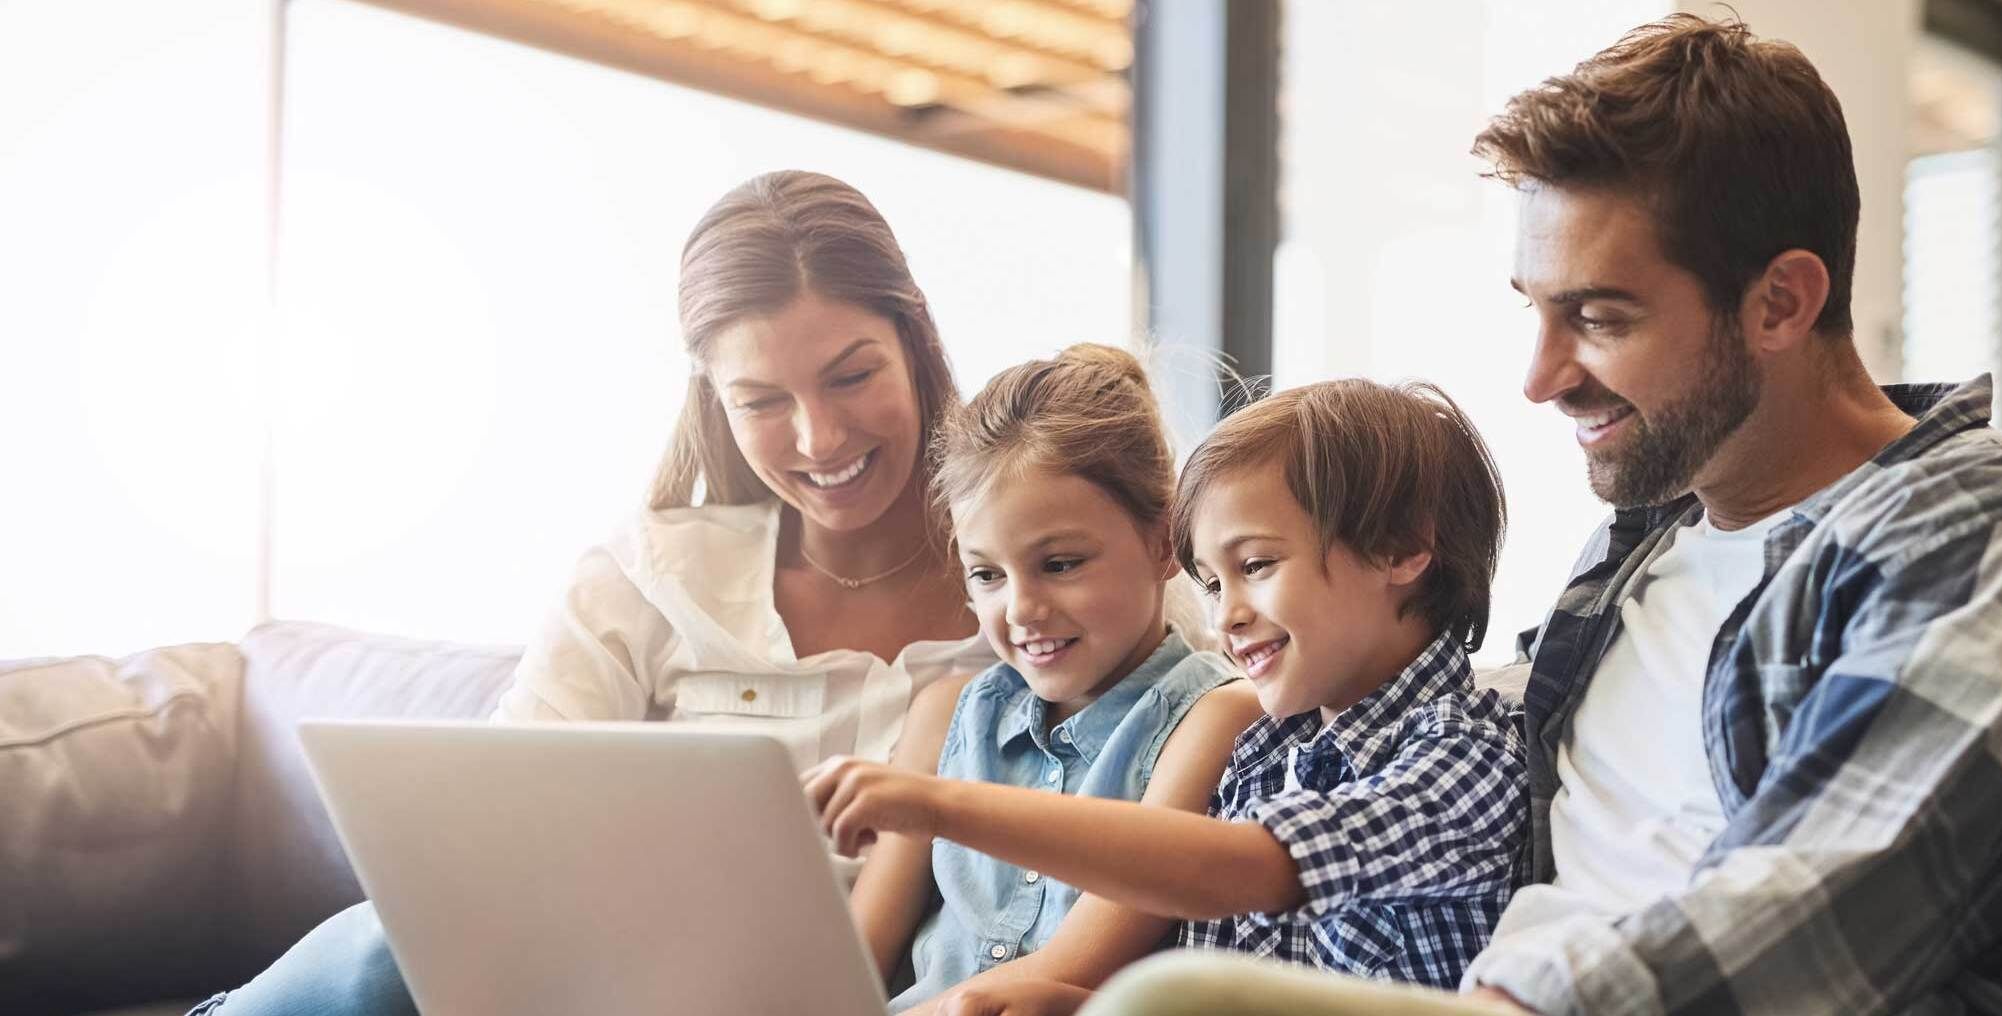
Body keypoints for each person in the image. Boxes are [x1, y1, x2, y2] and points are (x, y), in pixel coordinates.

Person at [1081, 13, 2002, 1016]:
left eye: (1598, 317)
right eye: (1535, 310)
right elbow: (1455, 742)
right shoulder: (1636, 551)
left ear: (1780, 301)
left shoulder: (1985, 528)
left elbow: (1845, 892)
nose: (1540, 376)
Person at [189, 170, 998, 1015]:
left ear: (915, 339)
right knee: (394, 948)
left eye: (850, 376)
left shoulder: (1038, 599)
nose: (818, 436)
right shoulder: (653, 576)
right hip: (596, 982)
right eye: (760, 400)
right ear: (714, 401)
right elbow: (495, 822)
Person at [813, 378, 1528, 1008]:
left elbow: (1241, 868)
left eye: (1256, 565)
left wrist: (938, 803)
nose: (1226, 616)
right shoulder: (1273, 750)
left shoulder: (1464, 756)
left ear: (1400, 549)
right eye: (1213, 583)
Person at [833, 343, 1263, 1014]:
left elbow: (1077, 963)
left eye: (1060, 564)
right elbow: (853, 956)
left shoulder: (1215, 714)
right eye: (987, 575)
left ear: (1163, 540)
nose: (1022, 609)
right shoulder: (947, 713)